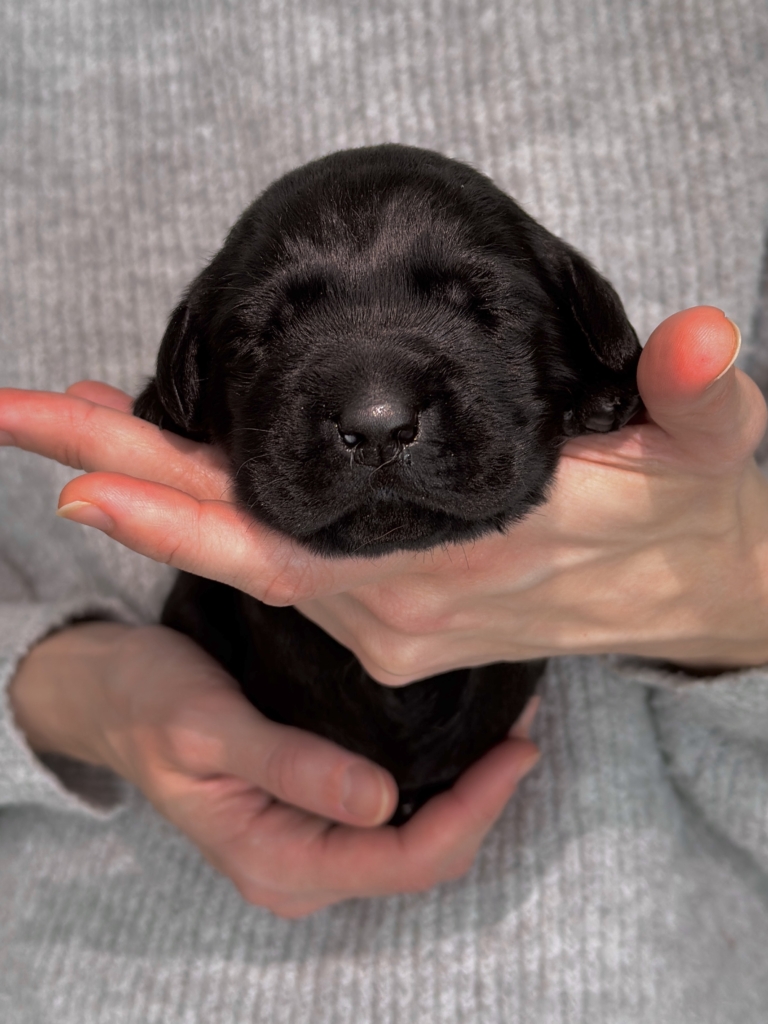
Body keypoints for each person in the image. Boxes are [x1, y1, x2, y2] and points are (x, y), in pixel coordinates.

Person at [1, 1, 767, 1021]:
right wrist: (71, 692)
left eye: (475, 304)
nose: (372, 407)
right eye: (265, 333)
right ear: (186, 387)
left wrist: (735, 587)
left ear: (589, 336)